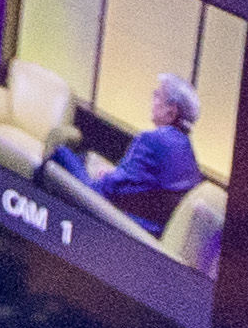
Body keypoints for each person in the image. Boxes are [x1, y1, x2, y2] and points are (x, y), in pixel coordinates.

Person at [82, 73, 208, 239]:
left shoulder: (151, 139)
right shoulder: (188, 151)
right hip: (152, 233)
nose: (153, 100)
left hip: (119, 222)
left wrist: (105, 175)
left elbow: (108, 188)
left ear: (171, 111)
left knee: (62, 156)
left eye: (157, 95)